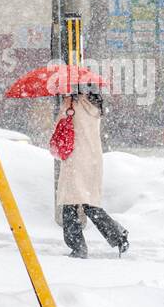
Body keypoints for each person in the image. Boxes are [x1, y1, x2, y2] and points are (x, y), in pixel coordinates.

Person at [55, 86, 128, 259]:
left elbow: (60, 125)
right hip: (93, 158)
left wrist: (66, 103)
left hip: (75, 159)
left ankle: (78, 247)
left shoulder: (72, 103)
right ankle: (118, 235)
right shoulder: (96, 105)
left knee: (69, 204)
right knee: (89, 204)